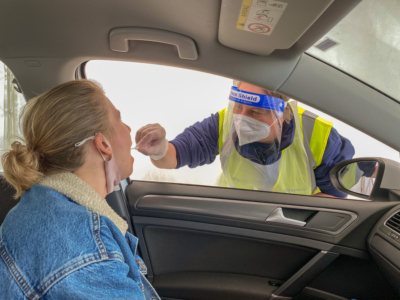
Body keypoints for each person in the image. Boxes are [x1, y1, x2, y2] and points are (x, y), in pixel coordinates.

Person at [0, 80, 160, 300]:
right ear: (103, 145)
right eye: (120, 119)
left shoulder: (32, 207)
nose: (129, 129)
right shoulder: (89, 249)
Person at [135, 81, 355, 197]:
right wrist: (161, 149)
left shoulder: (318, 135)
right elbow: (176, 154)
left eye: (255, 112)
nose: (240, 119)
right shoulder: (223, 123)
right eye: (238, 107)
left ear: (282, 115)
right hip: (236, 219)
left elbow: (335, 197)